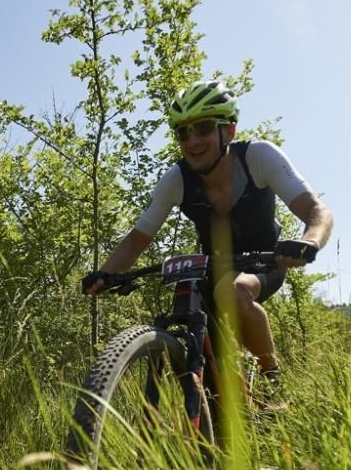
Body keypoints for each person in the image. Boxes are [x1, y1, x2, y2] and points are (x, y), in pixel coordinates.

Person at [81, 79, 333, 385]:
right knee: (212, 378)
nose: (191, 141)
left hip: (263, 262)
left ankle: (272, 382)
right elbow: (138, 238)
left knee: (233, 291)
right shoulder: (177, 179)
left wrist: (309, 241)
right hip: (212, 268)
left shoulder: (258, 158)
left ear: (228, 130)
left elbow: (317, 211)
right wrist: (106, 273)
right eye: (183, 133)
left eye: (202, 128)